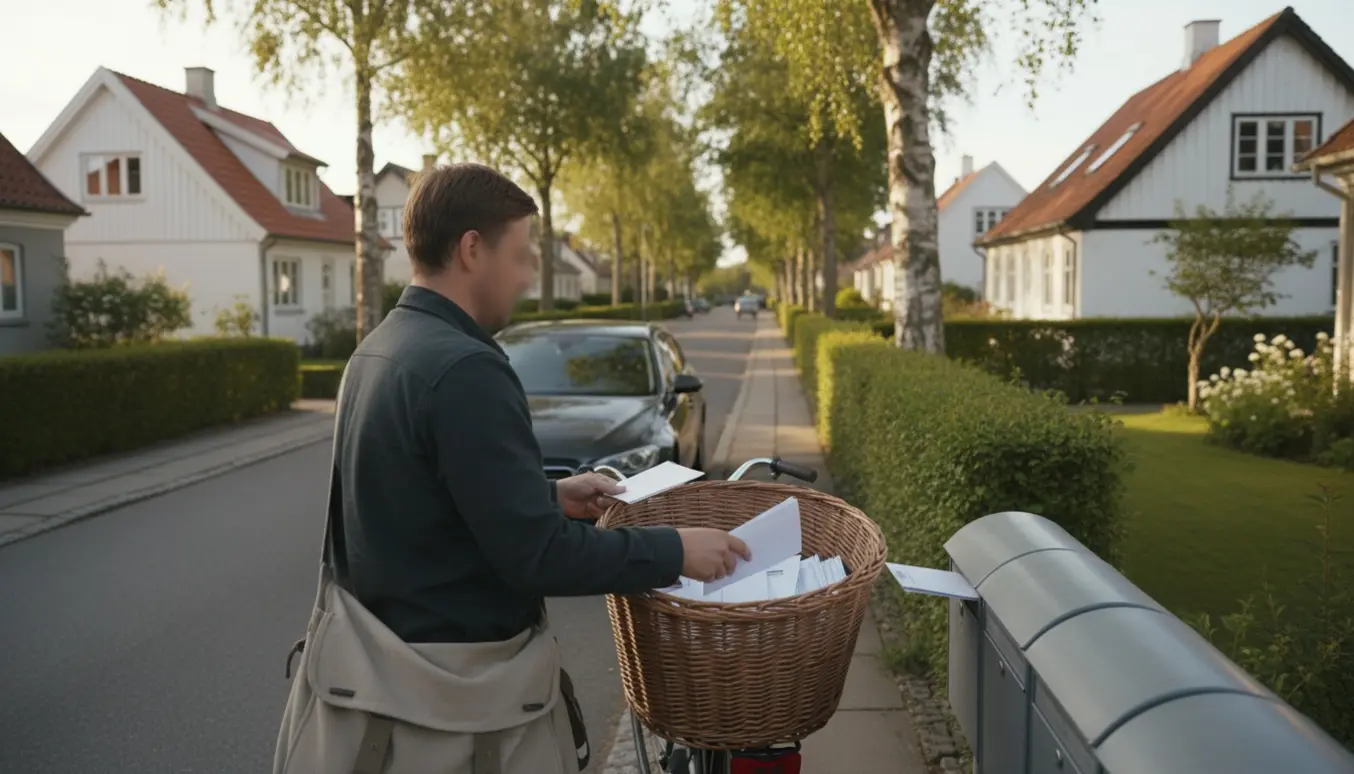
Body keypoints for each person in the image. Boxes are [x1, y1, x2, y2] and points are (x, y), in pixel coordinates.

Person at [274, 162, 749, 774]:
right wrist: (675, 551)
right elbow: (538, 556)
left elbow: (418, 504)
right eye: (521, 256)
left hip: (380, 685)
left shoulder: (378, 349)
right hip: (455, 712)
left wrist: (547, 495)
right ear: (472, 249)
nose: (527, 277)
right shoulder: (467, 368)